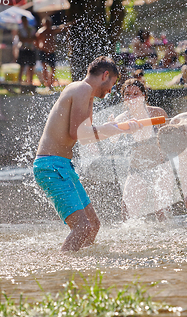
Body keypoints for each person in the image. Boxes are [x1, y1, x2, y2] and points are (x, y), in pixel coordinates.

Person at [33, 56, 143, 252]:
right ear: (105, 75)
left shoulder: (87, 94)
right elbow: (77, 133)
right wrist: (113, 128)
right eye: (113, 84)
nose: (111, 91)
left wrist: (120, 129)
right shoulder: (81, 89)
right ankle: (61, 270)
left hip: (62, 165)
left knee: (93, 226)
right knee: (82, 227)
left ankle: (84, 267)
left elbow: (86, 138)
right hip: (51, 165)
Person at [110, 79, 175, 220]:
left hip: (161, 167)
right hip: (137, 168)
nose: (132, 97)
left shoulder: (157, 113)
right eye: (127, 94)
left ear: (144, 96)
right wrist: (112, 127)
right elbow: (112, 141)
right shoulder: (122, 118)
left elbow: (170, 139)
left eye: (136, 93)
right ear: (123, 98)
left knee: (162, 214)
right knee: (126, 215)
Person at [36, 16, 67, 89]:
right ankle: (47, 83)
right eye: (46, 23)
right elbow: (36, 41)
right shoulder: (41, 32)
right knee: (45, 68)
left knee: (53, 68)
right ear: (44, 24)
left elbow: (61, 27)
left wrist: (69, 24)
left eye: (49, 23)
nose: (48, 25)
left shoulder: (52, 30)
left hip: (51, 51)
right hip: (44, 51)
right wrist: (40, 47)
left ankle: (51, 82)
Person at [17, 15, 37, 85]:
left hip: (30, 49)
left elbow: (34, 38)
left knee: (31, 67)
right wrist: (29, 39)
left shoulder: (31, 29)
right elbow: (21, 39)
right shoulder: (20, 29)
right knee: (22, 66)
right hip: (23, 49)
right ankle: (20, 83)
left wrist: (27, 39)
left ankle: (30, 82)